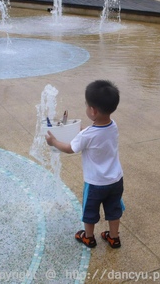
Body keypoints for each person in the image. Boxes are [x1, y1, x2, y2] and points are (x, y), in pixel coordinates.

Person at [45, 80, 124, 249]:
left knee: (89, 211)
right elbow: (97, 137)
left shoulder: (87, 135)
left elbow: (69, 148)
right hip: (115, 181)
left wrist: (53, 141)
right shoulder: (113, 126)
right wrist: (83, 132)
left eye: (87, 106)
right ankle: (113, 237)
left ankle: (88, 237)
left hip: (95, 183)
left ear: (93, 111)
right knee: (113, 210)